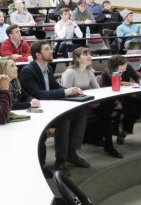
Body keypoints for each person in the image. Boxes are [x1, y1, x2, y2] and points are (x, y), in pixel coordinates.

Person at [19, 40, 90, 176]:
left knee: (80, 113)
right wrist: (65, 92)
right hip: (36, 110)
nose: (51, 51)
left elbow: (55, 87)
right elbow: (38, 95)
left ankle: (71, 153)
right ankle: (60, 160)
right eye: (47, 49)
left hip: (50, 107)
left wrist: (71, 90)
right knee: (63, 120)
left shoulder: (49, 68)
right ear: (38, 55)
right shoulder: (28, 71)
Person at [61, 47, 123, 158]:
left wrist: (114, 100)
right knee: (106, 111)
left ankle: (107, 144)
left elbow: (98, 90)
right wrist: (88, 103)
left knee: (108, 105)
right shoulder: (70, 72)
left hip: (87, 102)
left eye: (90, 54)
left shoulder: (89, 71)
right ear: (77, 58)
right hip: (74, 105)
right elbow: (65, 94)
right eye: (85, 54)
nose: (90, 56)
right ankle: (107, 142)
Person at [101, 55, 141, 144]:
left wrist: (139, 82)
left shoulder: (128, 67)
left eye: (125, 68)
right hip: (112, 98)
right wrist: (117, 100)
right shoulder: (106, 73)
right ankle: (121, 131)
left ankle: (123, 130)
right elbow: (105, 91)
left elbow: (137, 79)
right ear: (114, 67)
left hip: (126, 95)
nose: (124, 70)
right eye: (121, 70)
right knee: (128, 109)